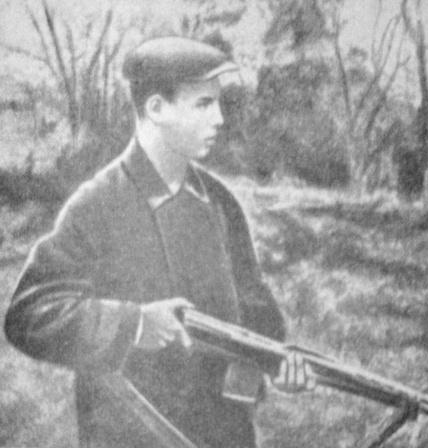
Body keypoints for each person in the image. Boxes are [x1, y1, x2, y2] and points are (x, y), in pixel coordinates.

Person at [4, 37, 313, 448]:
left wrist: (276, 363)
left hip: (225, 436)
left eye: (218, 104)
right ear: (155, 108)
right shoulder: (98, 204)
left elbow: (256, 316)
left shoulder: (220, 203)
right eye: (203, 104)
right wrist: (134, 324)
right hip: (133, 435)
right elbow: (29, 313)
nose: (219, 118)